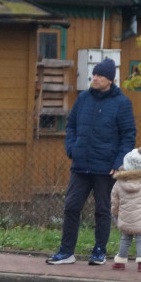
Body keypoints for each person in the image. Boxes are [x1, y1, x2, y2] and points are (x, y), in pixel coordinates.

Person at [47, 57, 135, 266]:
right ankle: (66, 252)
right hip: (80, 165)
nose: (94, 78)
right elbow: (71, 126)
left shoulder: (122, 103)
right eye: (94, 74)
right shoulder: (83, 99)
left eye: (100, 75)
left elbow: (128, 135)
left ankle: (99, 251)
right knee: (71, 206)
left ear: (110, 80)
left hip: (106, 168)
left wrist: (118, 161)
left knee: (102, 210)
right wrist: (72, 149)